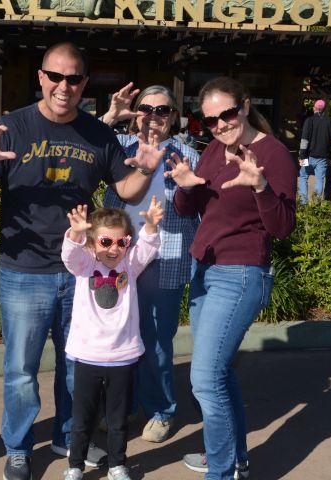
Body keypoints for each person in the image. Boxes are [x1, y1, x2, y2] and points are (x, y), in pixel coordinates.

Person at [0, 42, 165, 480]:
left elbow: (127, 191)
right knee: (21, 369)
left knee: (77, 365)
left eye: (73, 79)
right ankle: (18, 448)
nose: (63, 86)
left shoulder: (97, 134)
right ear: (41, 77)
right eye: (55, 76)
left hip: (82, 271)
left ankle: (69, 437)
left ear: (84, 83)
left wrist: (147, 169)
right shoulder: (13, 128)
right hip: (23, 270)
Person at [165, 76, 296, 480]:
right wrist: (185, 187)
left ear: (245, 106)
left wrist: (260, 186)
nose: (220, 125)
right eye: (210, 120)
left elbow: (283, 227)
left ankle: (221, 472)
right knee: (219, 375)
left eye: (227, 114)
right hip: (204, 270)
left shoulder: (273, 154)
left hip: (239, 275)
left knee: (205, 380)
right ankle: (232, 457)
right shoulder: (213, 151)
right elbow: (188, 209)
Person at [101, 83, 199, 443]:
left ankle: (160, 410)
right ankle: (123, 406)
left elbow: (203, 205)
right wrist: (109, 116)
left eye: (162, 110)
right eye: (145, 108)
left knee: (156, 337)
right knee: (118, 335)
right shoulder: (119, 147)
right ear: (135, 113)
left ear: (173, 117)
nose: (153, 116)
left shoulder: (187, 156)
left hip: (165, 256)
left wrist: (189, 187)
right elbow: (84, 142)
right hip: (119, 255)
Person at [61, 198, 163, 480]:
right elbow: (70, 256)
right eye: (105, 242)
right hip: (88, 355)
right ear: (92, 243)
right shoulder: (84, 264)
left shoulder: (130, 264)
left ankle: (118, 464)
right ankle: (75, 465)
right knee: (82, 420)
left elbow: (148, 247)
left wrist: (151, 226)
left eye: (122, 242)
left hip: (122, 356)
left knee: (117, 421)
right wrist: (76, 234)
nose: (114, 249)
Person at [298, 99, 331, 203]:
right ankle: (316, 204)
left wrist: (301, 156)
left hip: (308, 156)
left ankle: (303, 203)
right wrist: (330, 157)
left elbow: (304, 140)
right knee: (319, 180)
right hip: (323, 157)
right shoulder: (330, 121)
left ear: (314, 108)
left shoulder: (309, 120)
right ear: (324, 109)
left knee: (303, 176)